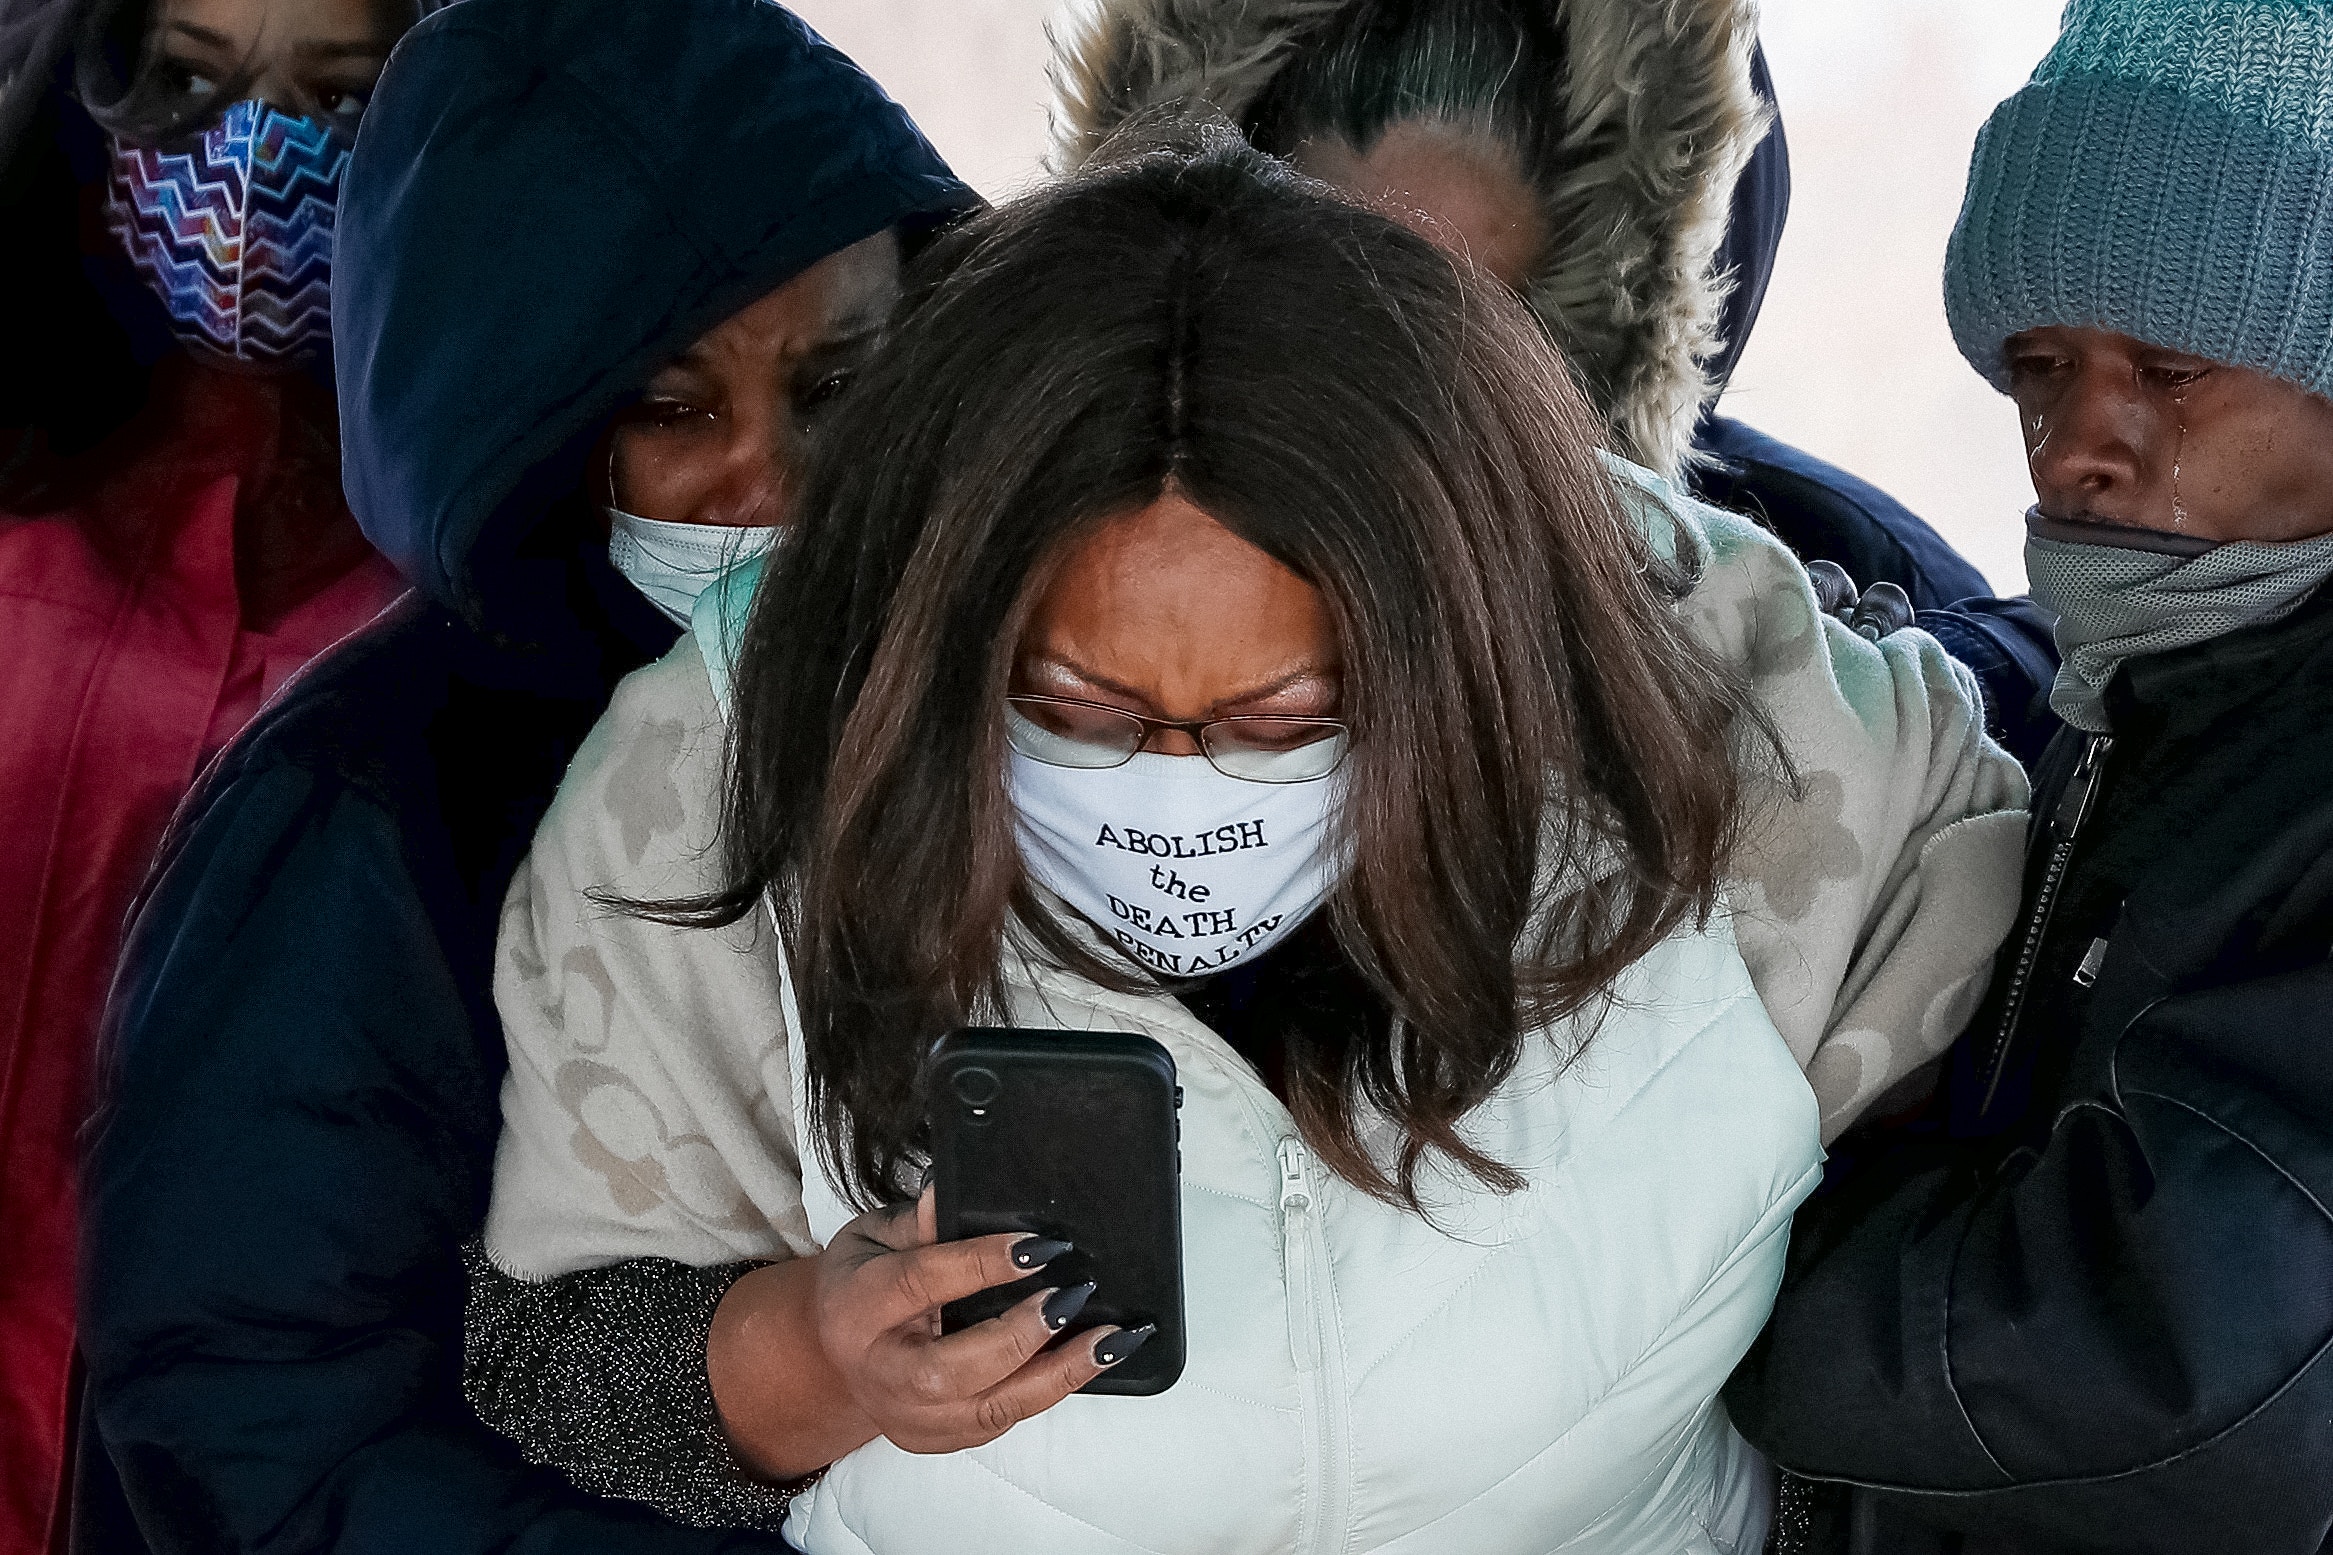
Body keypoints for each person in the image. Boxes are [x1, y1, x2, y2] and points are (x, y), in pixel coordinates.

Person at [459, 124, 2028, 1552]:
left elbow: (1979, 1237)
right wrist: (812, 1350)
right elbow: (558, 1359)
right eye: (1075, 706)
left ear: (1460, 645)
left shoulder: (1739, 740)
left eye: (1288, 718)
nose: (1175, 786)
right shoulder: (725, 766)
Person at [73, 0, 976, 1550]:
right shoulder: (364, 813)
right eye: (674, 410)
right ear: (520, 422)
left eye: (838, 387)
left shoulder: (990, 707)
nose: (776, 484)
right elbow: (259, 1408)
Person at [1723, 4, 2333, 1552]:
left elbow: (2191, 1340)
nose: (2073, 443)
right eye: (2039, 364)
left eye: (2171, 366)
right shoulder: (2130, 695)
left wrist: (1692, 1294)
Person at [1053, 0, 2064, 762]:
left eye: (1460, 342)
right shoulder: (1049, 545)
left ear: (1605, 334)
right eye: (1319, 320)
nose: (1374, 406)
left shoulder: (1817, 593)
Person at [0, 0, 425, 1540]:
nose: (253, 161)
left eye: (340, 95)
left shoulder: (490, 585)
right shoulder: (26, 490)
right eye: (188, 79)